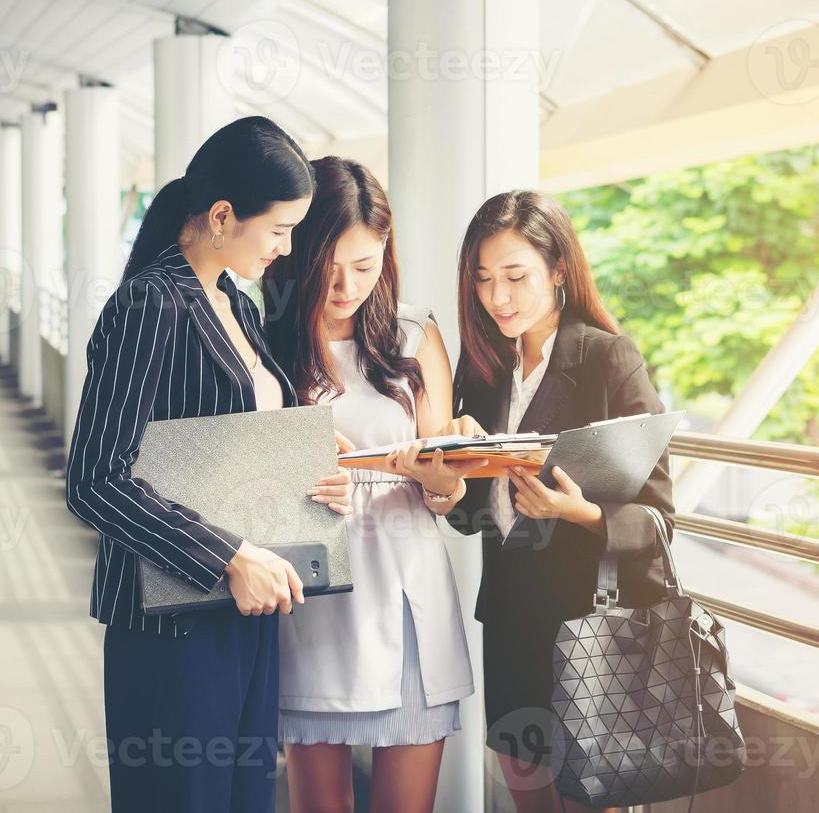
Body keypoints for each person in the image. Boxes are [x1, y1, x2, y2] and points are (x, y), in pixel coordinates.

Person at [65, 116, 353, 813]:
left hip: (245, 610)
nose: (285, 250)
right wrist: (227, 555)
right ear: (222, 216)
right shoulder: (148, 304)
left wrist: (310, 467)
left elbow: (228, 443)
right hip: (172, 622)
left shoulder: (234, 302)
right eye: (279, 230)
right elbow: (95, 479)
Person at [428, 191, 675, 813]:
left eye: (516, 277)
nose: (498, 297)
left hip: (589, 622)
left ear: (558, 269)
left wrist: (579, 514)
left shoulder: (603, 359)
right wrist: (457, 474)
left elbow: (659, 517)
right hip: (513, 621)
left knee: (596, 798)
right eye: (483, 280)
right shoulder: (484, 370)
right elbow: (469, 517)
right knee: (527, 797)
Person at [263, 157, 480, 813]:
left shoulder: (414, 335)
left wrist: (439, 477)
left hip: (407, 592)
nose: (345, 285)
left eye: (363, 267)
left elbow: (448, 492)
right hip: (312, 599)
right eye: (329, 266)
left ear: (384, 254)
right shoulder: (265, 341)